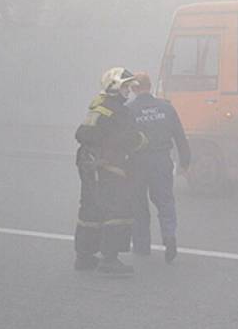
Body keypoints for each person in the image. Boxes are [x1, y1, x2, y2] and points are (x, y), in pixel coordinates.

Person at [74, 67, 148, 274]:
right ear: (114, 85)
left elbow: (84, 134)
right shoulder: (119, 110)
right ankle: (110, 260)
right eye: (126, 86)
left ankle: (84, 257)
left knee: (90, 209)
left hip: (90, 166)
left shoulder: (97, 106)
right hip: (109, 167)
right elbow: (129, 139)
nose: (129, 90)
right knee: (118, 210)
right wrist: (143, 140)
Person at [127, 72, 190, 263]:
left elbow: (123, 141)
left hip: (138, 163)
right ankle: (169, 236)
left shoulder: (129, 110)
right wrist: (185, 162)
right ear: (150, 85)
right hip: (162, 161)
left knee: (138, 203)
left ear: (133, 89)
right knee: (165, 202)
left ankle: (141, 245)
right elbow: (180, 136)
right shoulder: (166, 108)